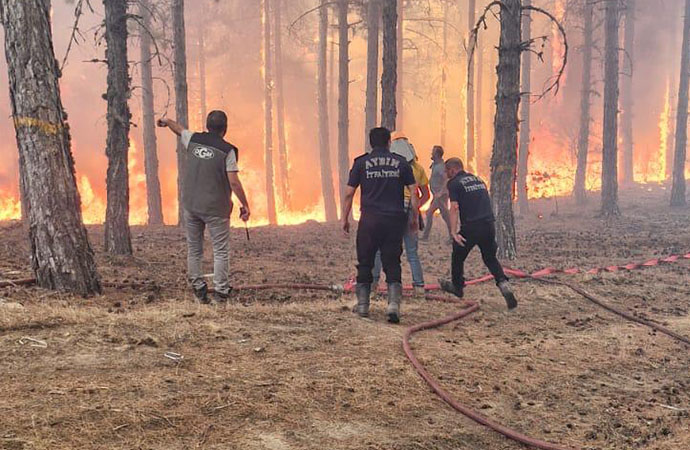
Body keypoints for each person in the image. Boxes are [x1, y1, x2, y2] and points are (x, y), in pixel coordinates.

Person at [158, 111, 250, 304]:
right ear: (225, 129)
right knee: (220, 250)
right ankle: (221, 292)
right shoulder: (228, 150)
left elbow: (179, 130)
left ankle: (199, 286)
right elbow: (233, 182)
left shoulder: (194, 140)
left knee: (194, 248)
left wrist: (167, 121)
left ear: (207, 126)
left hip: (191, 205)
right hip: (216, 209)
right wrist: (245, 204)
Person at [342, 127, 418, 323]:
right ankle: (393, 306)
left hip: (369, 220)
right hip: (394, 220)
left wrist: (345, 218)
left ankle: (363, 306)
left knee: (365, 260)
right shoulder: (401, 163)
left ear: (370, 143)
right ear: (388, 143)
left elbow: (349, 193)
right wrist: (413, 218)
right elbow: (414, 190)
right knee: (392, 261)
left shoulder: (361, 163)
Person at [438, 157, 517, 310]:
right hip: (488, 225)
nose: (446, 174)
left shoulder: (454, 183)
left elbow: (454, 208)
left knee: (457, 255)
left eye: (447, 171)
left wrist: (453, 232)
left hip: (472, 227)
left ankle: (457, 287)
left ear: (453, 169)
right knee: (490, 258)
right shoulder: (478, 180)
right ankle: (503, 284)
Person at [371, 133, 429, 296]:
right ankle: (419, 287)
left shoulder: (388, 166)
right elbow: (426, 194)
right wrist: (416, 209)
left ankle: (373, 285)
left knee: (378, 250)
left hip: (390, 210)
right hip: (410, 211)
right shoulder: (418, 168)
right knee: (412, 252)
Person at [421, 145, 452, 242]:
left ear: (437, 154)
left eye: (433, 152)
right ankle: (426, 235)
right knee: (437, 214)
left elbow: (446, 179)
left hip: (440, 196)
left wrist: (441, 192)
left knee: (441, 214)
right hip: (436, 195)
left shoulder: (440, 167)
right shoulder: (436, 165)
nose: (431, 153)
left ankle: (452, 236)